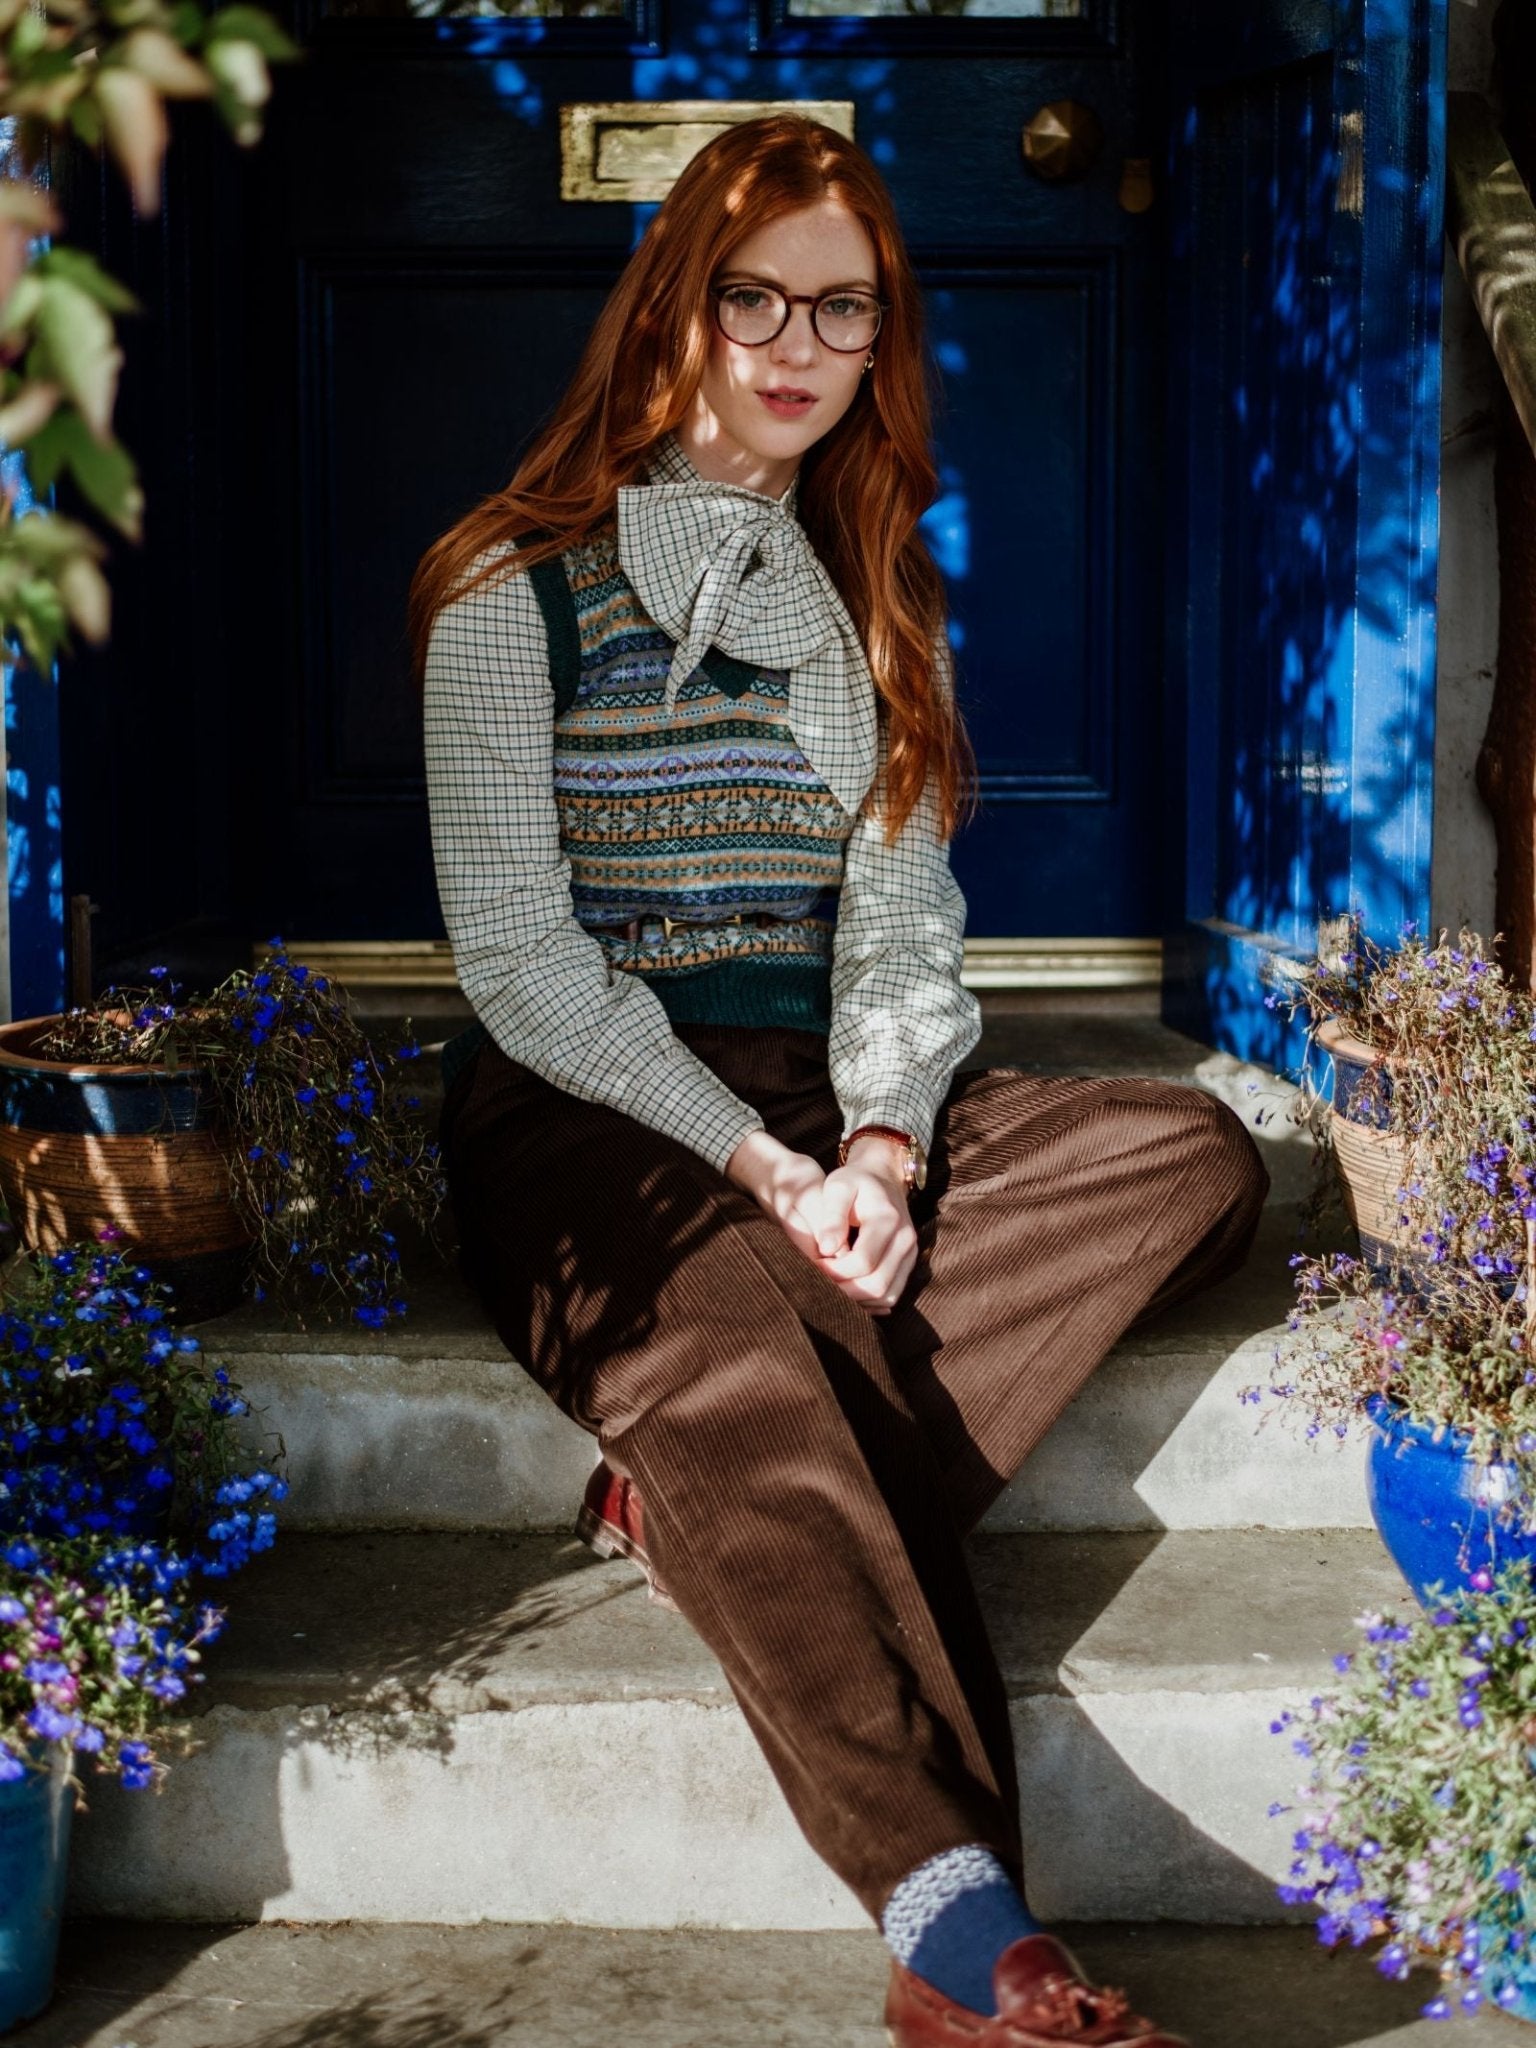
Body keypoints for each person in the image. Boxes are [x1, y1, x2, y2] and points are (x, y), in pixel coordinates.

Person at [414, 112, 1268, 2048]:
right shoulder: (504, 591)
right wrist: (753, 1163)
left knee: (1190, 1153)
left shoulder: (875, 610)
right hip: (594, 1112)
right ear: (673, 315)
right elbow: (528, 967)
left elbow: (899, 939)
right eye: (757, 297)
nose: (801, 345)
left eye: (851, 313)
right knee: (728, 1345)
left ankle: (692, 1503)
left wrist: (876, 1139)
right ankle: (968, 1929)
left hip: (819, 1093)